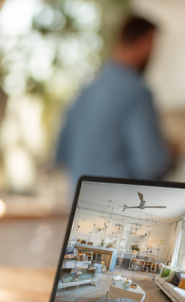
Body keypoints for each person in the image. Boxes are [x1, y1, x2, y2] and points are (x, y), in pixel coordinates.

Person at [56, 15, 172, 191]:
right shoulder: (136, 92)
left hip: (79, 208)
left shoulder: (85, 92)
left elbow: (61, 155)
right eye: (152, 46)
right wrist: (173, 153)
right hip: (120, 210)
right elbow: (151, 164)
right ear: (145, 43)